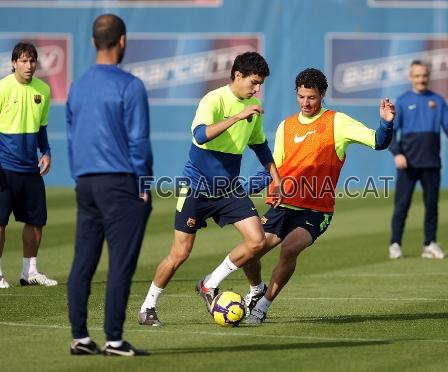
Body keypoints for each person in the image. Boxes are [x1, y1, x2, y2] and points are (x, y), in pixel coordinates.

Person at [240, 67, 396, 324]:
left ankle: (262, 307)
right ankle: (256, 290)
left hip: (316, 209)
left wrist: (386, 123)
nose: (306, 102)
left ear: (322, 94)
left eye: (311, 97)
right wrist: (243, 189)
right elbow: (274, 168)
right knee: (251, 252)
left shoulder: (338, 122)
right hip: (282, 205)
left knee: (290, 249)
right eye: (301, 97)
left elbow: (378, 141)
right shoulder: (286, 126)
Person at [138, 51, 282, 326]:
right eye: (254, 82)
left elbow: (260, 147)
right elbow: (200, 135)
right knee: (180, 253)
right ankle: (148, 306)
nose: (257, 89)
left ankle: (209, 284)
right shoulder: (213, 99)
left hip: (228, 188)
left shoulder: (252, 107)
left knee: (257, 241)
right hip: (196, 187)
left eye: (260, 84)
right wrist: (238, 117)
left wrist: (276, 178)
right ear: (237, 75)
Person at [66, 14, 152, 356]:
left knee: (83, 262)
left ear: (92, 42)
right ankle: (114, 340)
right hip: (120, 184)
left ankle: (80, 338)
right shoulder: (130, 85)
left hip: (85, 183)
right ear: (122, 42)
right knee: (121, 263)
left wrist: (79, 177)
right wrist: (144, 183)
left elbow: (73, 137)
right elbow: (139, 142)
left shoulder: (77, 85)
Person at [388, 60, 448, 260]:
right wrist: (397, 153)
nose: (421, 79)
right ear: (410, 77)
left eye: (424, 76)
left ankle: (429, 244)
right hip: (408, 164)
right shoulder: (403, 101)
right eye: (417, 76)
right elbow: (391, 132)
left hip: (431, 163)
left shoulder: (437, 101)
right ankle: (395, 244)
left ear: (428, 77)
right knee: (402, 205)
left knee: (432, 206)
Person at [0, 42, 57, 289]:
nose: (29, 65)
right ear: (14, 63)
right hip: (4, 168)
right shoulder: (2, 88)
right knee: (0, 222)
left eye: (32, 61)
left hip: (30, 169)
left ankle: (29, 271)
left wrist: (46, 152)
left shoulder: (43, 90)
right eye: (23, 61)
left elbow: (42, 128)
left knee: (36, 221)